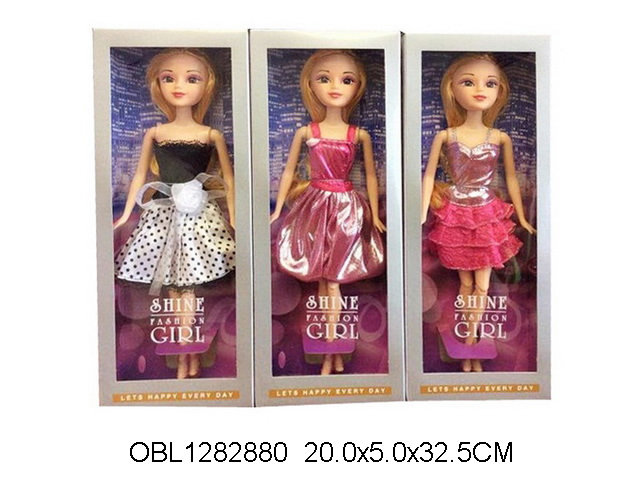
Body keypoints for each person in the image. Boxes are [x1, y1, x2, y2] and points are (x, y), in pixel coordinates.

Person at [114, 49, 236, 379]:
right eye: (169, 78)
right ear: (158, 84)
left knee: (189, 286)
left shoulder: (210, 135)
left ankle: (188, 353)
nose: (179, 86)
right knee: (172, 287)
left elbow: (228, 178)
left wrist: (234, 218)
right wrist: (126, 215)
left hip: (198, 215)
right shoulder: (156, 133)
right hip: (163, 213)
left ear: (206, 85)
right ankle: (185, 356)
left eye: (191, 79)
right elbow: (140, 176)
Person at [270, 50, 385, 375]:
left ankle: (331, 345)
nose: (335, 86)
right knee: (323, 278)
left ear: (357, 86)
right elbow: (289, 171)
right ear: (311, 84)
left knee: (333, 281)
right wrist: (278, 209)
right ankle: (329, 349)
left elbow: (371, 176)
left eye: (346, 80)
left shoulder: (357, 135)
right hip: (315, 205)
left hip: (345, 208)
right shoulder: (308, 132)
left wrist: (375, 215)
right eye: (325, 78)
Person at [421, 53, 535, 373]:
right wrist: (421, 211)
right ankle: (467, 347)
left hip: (486, 214)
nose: (480, 89)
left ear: (500, 91)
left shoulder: (499, 137)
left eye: (490, 83)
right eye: (468, 82)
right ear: (452, 88)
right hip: (456, 212)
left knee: (482, 285)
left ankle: (471, 340)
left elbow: (510, 178)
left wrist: (522, 217)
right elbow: (428, 176)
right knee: (466, 284)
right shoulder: (447, 136)